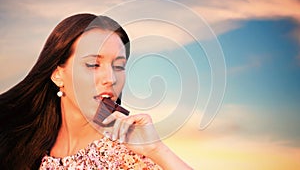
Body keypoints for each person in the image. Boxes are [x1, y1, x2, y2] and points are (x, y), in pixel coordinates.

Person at [0, 13, 192, 170]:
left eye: (118, 66)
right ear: (58, 75)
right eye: (93, 64)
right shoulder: (19, 145)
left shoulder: (128, 157)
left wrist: (156, 149)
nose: (110, 78)